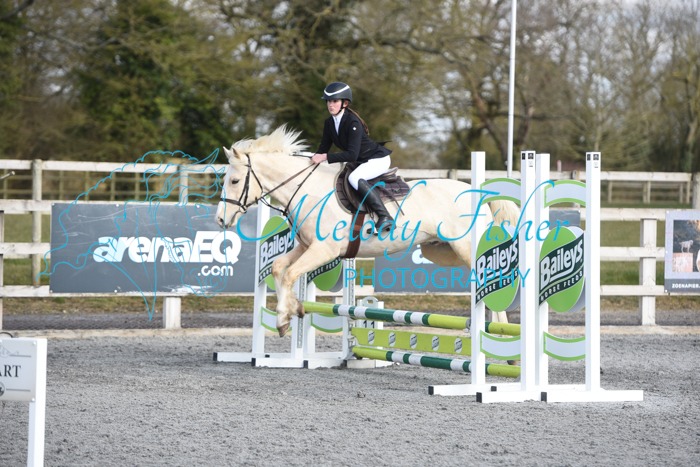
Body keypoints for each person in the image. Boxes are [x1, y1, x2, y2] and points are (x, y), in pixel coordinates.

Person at [310, 82, 394, 234]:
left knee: (354, 178)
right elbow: (322, 149)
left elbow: (351, 155)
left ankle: (385, 216)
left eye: (334, 101)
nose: (330, 105)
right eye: (328, 101)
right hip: (362, 161)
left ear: (345, 103)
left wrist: (325, 157)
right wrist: (310, 158)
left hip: (378, 159)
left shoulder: (352, 122)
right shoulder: (329, 123)